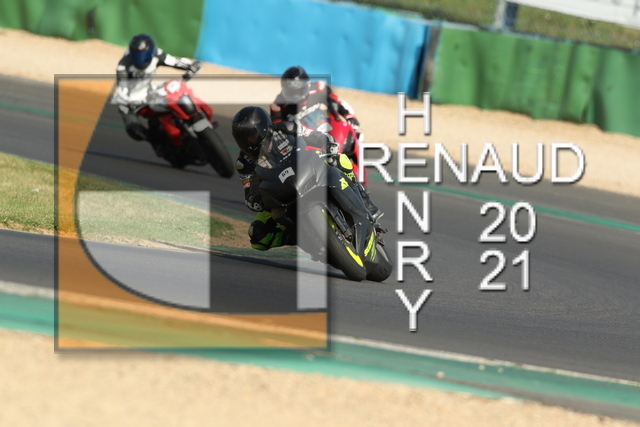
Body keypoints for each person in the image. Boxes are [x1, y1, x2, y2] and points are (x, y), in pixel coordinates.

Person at [231, 106, 381, 251]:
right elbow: (249, 192)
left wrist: (326, 143)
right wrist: (255, 201)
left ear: (263, 128)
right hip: (279, 194)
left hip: (307, 169)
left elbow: (312, 134)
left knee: (339, 159)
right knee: (257, 235)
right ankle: (300, 238)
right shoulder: (243, 163)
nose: (248, 141)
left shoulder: (286, 128)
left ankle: (365, 201)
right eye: (242, 138)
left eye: (251, 136)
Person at [113, 33, 202, 147]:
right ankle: (157, 141)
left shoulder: (157, 54)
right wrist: (130, 108)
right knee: (134, 128)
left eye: (145, 55)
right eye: (137, 56)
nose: (141, 59)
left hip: (151, 90)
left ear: (151, 52)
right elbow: (123, 91)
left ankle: (196, 117)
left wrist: (191, 65)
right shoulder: (123, 66)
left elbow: (175, 61)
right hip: (135, 97)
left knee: (177, 92)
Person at [270, 66, 360, 135]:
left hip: (325, 126)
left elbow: (338, 102)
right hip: (302, 138)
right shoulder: (277, 105)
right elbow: (277, 129)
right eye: (290, 91)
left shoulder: (318, 88)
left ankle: (353, 138)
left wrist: (349, 116)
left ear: (306, 86)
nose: (294, 96)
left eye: (297, 91)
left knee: (333, 108)